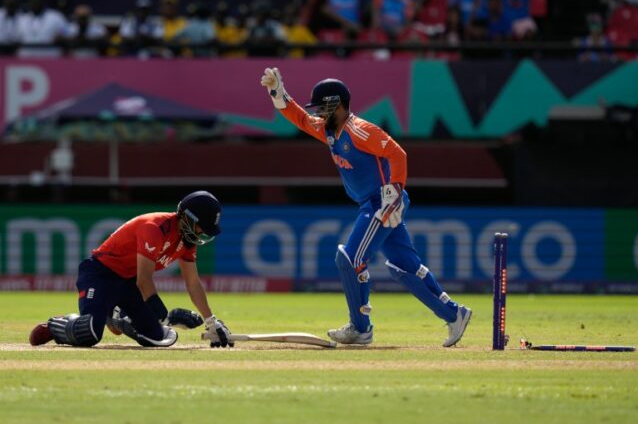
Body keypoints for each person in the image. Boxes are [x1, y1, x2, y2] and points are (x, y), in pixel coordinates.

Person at [259, 68, 472, 347]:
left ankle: (360, 329)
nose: (319, 115)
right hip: (372, 203)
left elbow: (397, 153)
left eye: (323, 108)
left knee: (349, 259)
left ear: (336, 105)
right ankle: (454, 314)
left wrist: (393, 193)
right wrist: (278, 93)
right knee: (403, 266)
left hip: (380, 204)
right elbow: (300, 118)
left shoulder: (359, 130)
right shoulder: (331, 132)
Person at [29, 191, 234, 349]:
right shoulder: (154, 227)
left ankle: (116, 316)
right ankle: (57, 326)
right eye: (201, 227)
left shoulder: (187, 242)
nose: (202, 233)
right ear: (187, 218)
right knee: (90, 332)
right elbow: (144, 280)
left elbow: (193, 282)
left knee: (158, 338)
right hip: (100, 274)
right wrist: (168, 317)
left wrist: (211, 322)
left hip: (126, 282)